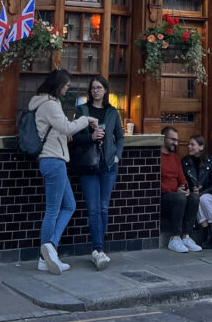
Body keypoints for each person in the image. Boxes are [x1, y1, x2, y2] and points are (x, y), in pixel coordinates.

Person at [29, 69, 96, 275]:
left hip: (54, 160)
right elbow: (67, 127)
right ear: (58, 85)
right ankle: (47, 250)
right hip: (53, 161)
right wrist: (87, 119)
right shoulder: (49, 104)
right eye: (66, 86)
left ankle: (48, 251)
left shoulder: (45, 103)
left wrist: (61, 134)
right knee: (53, 209)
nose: (67, 89)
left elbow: (58, 129)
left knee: (69, 205)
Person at [71, 74, 124, 269]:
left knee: (103, 207)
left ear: (105, 90)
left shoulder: (112, 112)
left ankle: (98, 250)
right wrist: (91, 136)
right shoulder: (82, 110)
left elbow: (120, 136)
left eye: (99, 88)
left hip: (108, 165)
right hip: (88, 165)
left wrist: (118, 155)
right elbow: (74, 137)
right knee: (93, 208)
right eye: (93, 88)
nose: (96, 91)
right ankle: (98, 249)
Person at [160, 127, 201, 252]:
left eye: (177, 140)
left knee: (194, 197)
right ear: (164, 138)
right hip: (164, 196)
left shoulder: (176, 158)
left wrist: (185, 188)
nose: (176, 143)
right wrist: (175, 190)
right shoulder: (157, 157)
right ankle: (175, 238)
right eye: (173, 140)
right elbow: (155, 181)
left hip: (176, 194)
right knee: (180, 197)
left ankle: (186, 236)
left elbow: (182, 178)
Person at [182, 135, 212, 249]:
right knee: (196, 198)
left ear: (201, 146)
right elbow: (184, 181)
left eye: (192, 144)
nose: (189, 146)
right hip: (194, 195)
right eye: (188, 144)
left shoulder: (210, 161)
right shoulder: (185, 162)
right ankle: (207, 234)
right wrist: (190, 188)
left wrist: (202, 191)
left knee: (203, 198)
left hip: (209, 195)